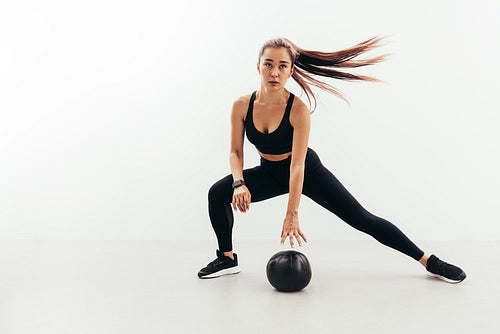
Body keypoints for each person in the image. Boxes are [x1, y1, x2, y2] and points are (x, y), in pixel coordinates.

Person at [198, 36, 466, 283]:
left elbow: (298, 165)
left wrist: (292, 213)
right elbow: (235, 151)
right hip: (269, 172)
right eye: (268, 64)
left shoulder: (298, 110)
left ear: (291, 70)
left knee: (363, 219)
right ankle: (227, 258)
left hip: (307, 172)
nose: (275, 72)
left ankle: (429, 261)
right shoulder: (241, 105)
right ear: (258, 67)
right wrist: (238, 182)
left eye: (282, 66)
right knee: (216, 193)